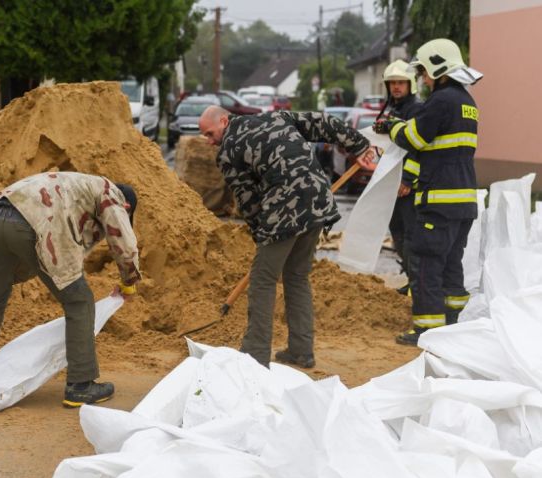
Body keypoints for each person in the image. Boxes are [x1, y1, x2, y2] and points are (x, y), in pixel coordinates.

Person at [199, 105, 376, 368]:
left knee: (262, 279)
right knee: (296, 276)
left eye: (211, 133)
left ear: (224, 121)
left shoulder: (228, 151)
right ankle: (301, 351)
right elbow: (323, 122)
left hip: (284, 209)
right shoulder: (275, 116)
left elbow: (247, 200)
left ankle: (254, 355)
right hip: (318, 201)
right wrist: (359, 146)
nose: (210, 141)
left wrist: (261, 233)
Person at [0, 172, 141, 407]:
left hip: (0, 215)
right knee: (80, 301)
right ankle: (81, 385)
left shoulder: (78, 186)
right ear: (126, 206)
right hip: (32, 222)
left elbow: (70, 244)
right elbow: (124, 242)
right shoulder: (112, 193)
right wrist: (129, 281)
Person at [374, 39, 483, 345]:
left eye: (423, 72)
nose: (421, 78)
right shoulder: (467, 102)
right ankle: (452, 326)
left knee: (425, 266)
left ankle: (427, 330)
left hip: (439, 201)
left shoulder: (441, 101)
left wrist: (392, 127)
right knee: (451, 266)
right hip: (463, 202)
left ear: (438, 68)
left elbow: (414, 138)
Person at [373, 60, 423, 295]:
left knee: (411, 234)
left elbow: (416, 148)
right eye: (392, 83)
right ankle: (411, 278)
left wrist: (408, 180)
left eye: (401, 82)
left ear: (410, 84)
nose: (396, 87)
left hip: (407, 185)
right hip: (393, 182)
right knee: (398, 232)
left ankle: (417, 283)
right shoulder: (395, 109)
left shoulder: (416, 109)